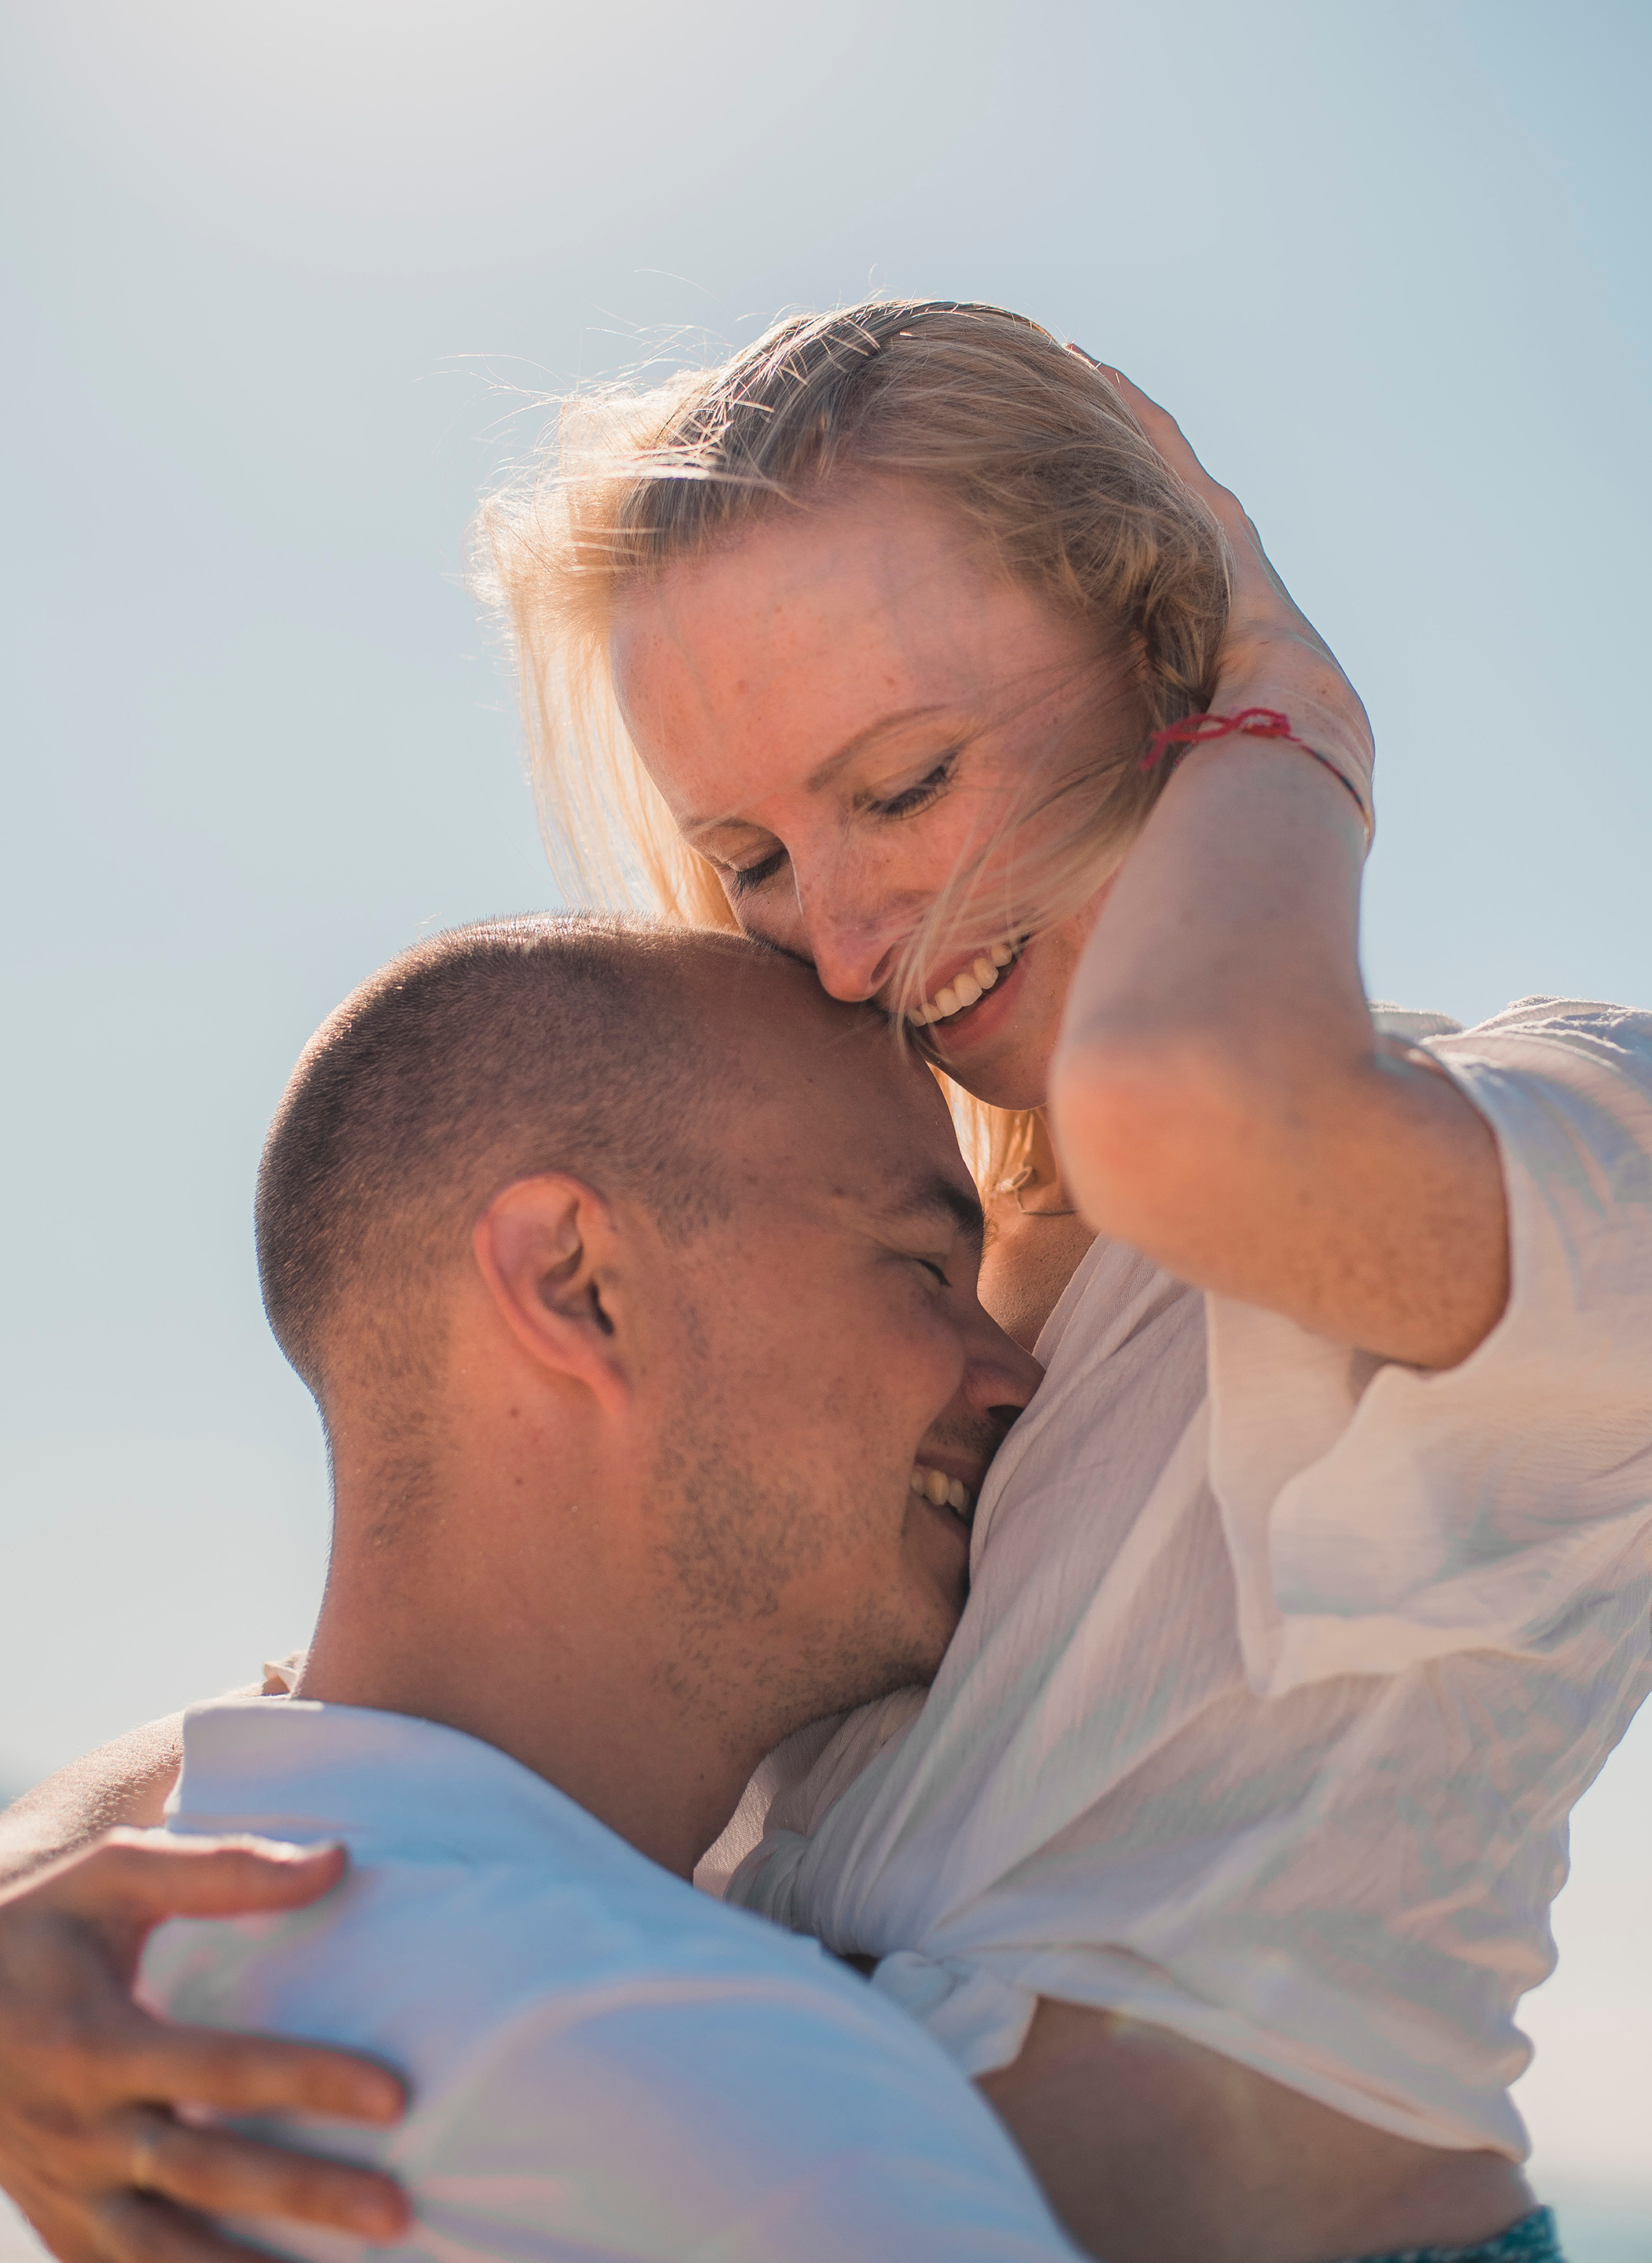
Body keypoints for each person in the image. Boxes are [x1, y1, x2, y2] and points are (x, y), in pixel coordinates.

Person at [4, 302, 1650, 2263]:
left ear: (1159, 655)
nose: (847, 944)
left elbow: (1196, 1115)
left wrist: (1293, 712)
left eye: (900, 788)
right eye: (752, 856)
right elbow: (398, 1708)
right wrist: (32, 1910)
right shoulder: (862, 1286)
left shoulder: (1574, 1150)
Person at [2, 914, 1072, 2263]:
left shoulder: (171, 1991)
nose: (1014, 1372)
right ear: (576, 1284)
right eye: (922, 1268)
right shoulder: (703, 2080)